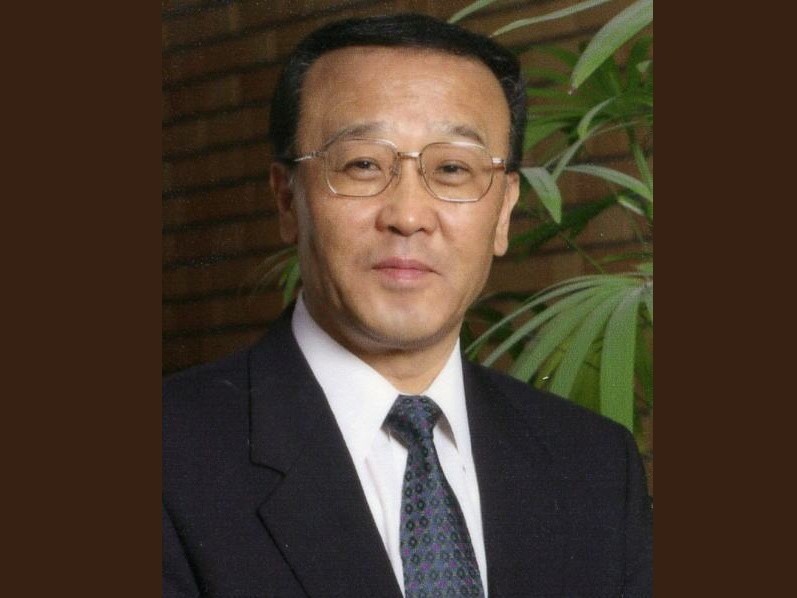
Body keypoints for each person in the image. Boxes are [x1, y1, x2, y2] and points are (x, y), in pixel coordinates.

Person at [163, 13, 652, 598]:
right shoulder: (170, 456)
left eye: (453, 169)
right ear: (287, 199)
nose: (409, 215)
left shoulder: (595, 465)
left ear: (503, 211)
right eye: (363, 164)